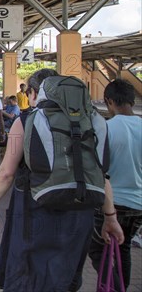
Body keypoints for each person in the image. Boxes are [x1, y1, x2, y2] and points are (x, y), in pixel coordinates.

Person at [0, 68, 124, 292]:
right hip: (79, 217)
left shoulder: (25, 121)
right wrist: (110, 217)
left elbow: (7, 172)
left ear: (34, 93)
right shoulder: (90, 121)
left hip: (35, 213)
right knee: (63, 279)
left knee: (28, 277)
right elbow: (100, 175)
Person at [88, 79, 142, 290]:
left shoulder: (105, 129)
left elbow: (97, 168)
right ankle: (121, 286)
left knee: (97, 250)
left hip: (110, 205)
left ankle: (114, 288)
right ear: (132, 100)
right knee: (124, 247)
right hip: (137, 204)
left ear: (108, 101)